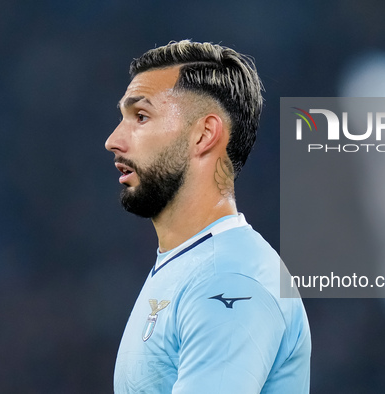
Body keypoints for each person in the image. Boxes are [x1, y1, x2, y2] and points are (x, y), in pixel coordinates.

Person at [105, 40, 311, 393]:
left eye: (141, 116)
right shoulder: (189, 264)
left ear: (203, 134)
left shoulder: (229, 279)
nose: (113, 140)